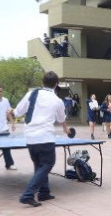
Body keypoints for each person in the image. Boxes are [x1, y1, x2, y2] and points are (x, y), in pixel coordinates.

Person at [12, 71, 69, 207]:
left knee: (39, 166)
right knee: (47, 164)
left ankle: (44, 192)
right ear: (56, 84)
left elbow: (18, 112)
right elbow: (62, 119)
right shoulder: (57, 100)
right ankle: (28, 194)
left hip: (30, 137)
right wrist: (66, 130)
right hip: (45, 137)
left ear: (42, 83)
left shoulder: (31, 94)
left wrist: (11, 112)